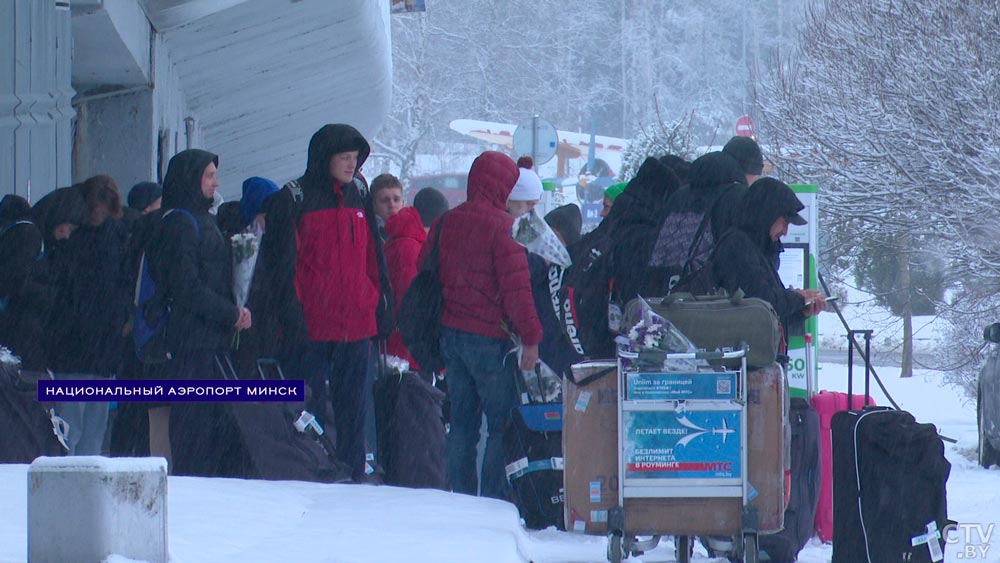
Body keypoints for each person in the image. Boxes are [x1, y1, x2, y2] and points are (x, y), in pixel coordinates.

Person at [265, 123, 385, 481]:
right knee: (309, 404)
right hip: (312, 322)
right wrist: (292, 316)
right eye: (344, 158)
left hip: (356, 320)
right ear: (324, 158)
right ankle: (311, 465)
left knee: (353, 405)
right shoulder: (294, 198)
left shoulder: (359, 193)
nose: (351, 165)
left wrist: (380, 302)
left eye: (355, 158)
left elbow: (372, 256)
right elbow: (283, 267)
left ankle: (351, 466)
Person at [420, 150, 542, 500]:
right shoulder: (503, 227)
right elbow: (517, 291)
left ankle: (460, 494)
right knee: (500, 426)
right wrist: (531, 338)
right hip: (490, 340)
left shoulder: (447, 221)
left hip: (450, 336)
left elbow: (422, 266)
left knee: (461, 424)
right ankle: (491, 498)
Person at [144, 149, 251, 470]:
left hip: (206, 337)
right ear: (191, 179)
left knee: (205, 420)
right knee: (195, 422)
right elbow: (185, 286)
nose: (215, 183)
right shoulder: (181, 223)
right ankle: (194, 483)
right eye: (208, 176)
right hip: (192, 339)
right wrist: (230, 313)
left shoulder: (198, 220)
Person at [712, 177, 826, 345]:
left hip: (754, 354)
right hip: (744, 358)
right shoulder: (738, 246)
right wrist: (797, 298)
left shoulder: (755, 248)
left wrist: (800, 312)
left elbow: (769, 316)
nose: (785, 232)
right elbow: (759, 303)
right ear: (768, 214)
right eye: (784, 222)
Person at [383, 206, 427, 369]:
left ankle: (297, 393)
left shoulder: (392, 243)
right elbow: (409, 300)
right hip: (406, 343)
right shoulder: (410, 247)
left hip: (392, 336)